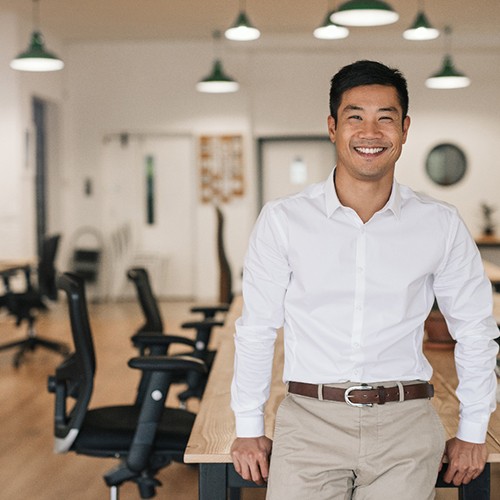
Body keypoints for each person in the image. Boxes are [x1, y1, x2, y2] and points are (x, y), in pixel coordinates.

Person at [230, 60, 499, 500]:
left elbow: (475, 329)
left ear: (405, 129)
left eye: (385, 119)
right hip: (309, 420)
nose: (370, 133)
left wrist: (473, 430)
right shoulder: (283, 220)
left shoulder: (440, 224)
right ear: (333, 127)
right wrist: (247, 424)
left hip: (406, 424)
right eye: (356, 117)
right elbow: (256, 328)